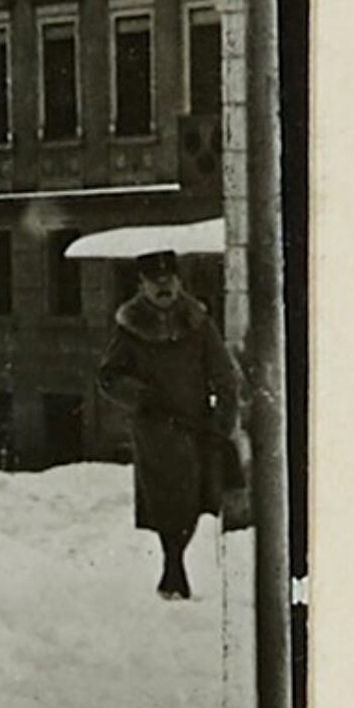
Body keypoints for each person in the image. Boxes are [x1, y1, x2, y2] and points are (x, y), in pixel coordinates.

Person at [96, 249, 246, 601]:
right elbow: (108, 377)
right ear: (142, 284)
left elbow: (224, 374)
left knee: (195, 497)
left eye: (169, 280)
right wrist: (140, 396)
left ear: (179, 281)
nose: (163, 287)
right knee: (167, 499)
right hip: (155, 430)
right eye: (155, 281)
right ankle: (173, 564)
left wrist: (223, 419)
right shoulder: (130, 327)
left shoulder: (198, 321)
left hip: (197, 425)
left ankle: (174, 564)